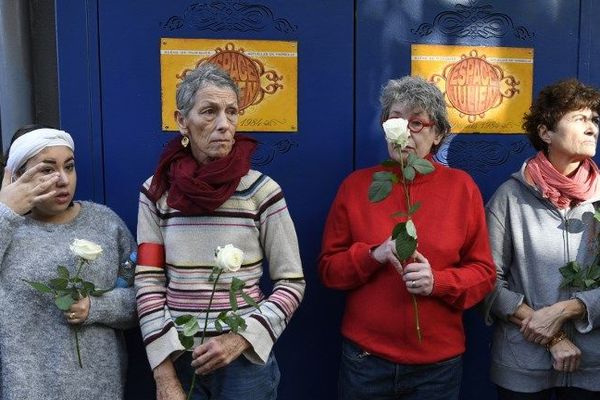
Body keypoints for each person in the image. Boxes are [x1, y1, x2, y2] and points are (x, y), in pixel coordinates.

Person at [319, 76, 496, 400]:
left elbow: (483, 274)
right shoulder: (358, 187)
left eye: (417, 123)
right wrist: (373, 255)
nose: (404, 132)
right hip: (366, 360)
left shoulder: (461, 188)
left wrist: (438, 282)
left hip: (436, 366)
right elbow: (329, 270)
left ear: (438, 133)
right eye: (396, 120)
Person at [135, 63, 305, 400]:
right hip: (180, 358)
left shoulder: (261, 191)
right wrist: (164, 373)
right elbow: (148, 281)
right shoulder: (157, 194)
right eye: (209, 112)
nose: (224, 125)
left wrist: (240, 339)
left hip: (246, 367)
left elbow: (292, 283)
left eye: (231, 112)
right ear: (182, 120)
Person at [0, 125, 137, 399]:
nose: (63, 179)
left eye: (69, 166)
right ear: (16, 176)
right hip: (27, 391)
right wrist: (5, 212)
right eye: (47, 170)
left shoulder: (105, 223)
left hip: (99, 390)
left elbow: (143, 299)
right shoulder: (8, 230)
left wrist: (96, 308)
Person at [484, 79, 600, 399]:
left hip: (591, 368)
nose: (592, 127)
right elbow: (486, 282)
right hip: (521, 367)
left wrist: (569, 308)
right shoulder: (509, 198)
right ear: (546, 133)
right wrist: (550, 334)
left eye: (595, 119)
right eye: (579, 118)